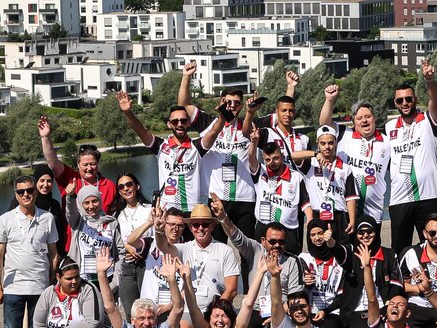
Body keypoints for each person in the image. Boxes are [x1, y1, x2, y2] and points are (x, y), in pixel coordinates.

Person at [211, 194, 307, 328]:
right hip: (254, 309)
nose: (277, 245)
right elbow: (236, 235)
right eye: (273, 241)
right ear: (263, 241)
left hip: (281, 311)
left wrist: (278, 315)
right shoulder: (255, 250)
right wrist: (223, 217)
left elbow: (295, 297)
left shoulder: (292, 261)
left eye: (281, 242)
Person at [0, 175, 60, 328]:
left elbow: (53, 253)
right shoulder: (5, 219)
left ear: (35, 192)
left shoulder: (47, 218)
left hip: (39, 286)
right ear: (16, 194)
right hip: (13, 286)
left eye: (30, 190)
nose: (26, 195)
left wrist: (52, 279)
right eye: (21, 191)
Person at [386, 61, 437, 253]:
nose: (405, 103)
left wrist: (430, 81)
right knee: (400, 251)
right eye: (400, 100)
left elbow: (435, 101)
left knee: (434, 247)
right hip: (399, 199)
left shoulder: (428, 120)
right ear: (395, 103)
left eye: (408, 99)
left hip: (429, 195)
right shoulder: (389, 127)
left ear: (415, 99)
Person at [191, 83, 258, 242]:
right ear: (222, 101)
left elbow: (248, 133)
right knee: (216, 246)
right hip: (217, 197)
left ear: (241, 105)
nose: (232, 106)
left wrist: (250, 113)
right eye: (228, 102)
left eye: (237, 103)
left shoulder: (248, 125)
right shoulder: (208, 123)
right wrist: (187, 76)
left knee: (247, 247)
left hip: (245, 197)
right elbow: (184, 104)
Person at [118, 90, 204, 213]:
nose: (179, 124)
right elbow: (140, 130)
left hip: (192, 210)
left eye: (184, 121)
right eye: (175, 121)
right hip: (167, 211)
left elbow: (214, 131)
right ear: (169, 124)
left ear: (189, 123)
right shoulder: (161, 146)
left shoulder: (197, 146)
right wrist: (127, 112)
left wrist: (223, 116)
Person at [320, 85, 391, 231]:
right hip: (346, 210)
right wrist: (329, 100)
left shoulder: (387, 142)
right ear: (353, 122)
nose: (364, 121)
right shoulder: (344, 134)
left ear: (374, 118)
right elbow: (324, 123)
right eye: (359, 118)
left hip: (374, 211)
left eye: (368, 117)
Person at [342, 216, 397, 328]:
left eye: (369, 231)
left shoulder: (389, 254)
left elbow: (397, 285)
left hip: (383, 307)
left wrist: (387, 307)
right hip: (358, 309)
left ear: (376, 232)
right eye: (361, 232)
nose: (365, 235)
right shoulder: (351, 254)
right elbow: (336, 251)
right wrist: (330, 241)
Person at [299, 218, 352, 328]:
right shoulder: (303, 258)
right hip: (308, 310)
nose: (316, 238)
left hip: (332, 310)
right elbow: (298, 292)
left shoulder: (339, 259)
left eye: (320, 233)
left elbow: (343, 295)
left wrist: (326, 310)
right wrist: (306, 285)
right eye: (312, 235)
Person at [38, 116, 116, 213]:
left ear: (98, 164)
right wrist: (45, 137)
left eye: (93, 164)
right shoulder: (70, 178)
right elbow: (53, 163)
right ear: (78, 164)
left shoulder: (109, 185)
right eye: (85, 165)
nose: (89, 168)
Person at [249, 139, 312, 254]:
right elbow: (251, 157)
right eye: (268, 160)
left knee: (290, 261)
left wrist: (310, 221)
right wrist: (254, 143)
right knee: (261, 260)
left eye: (276, 158)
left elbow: (305, 203)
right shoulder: (261, 172)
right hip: (263, 228)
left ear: (282, 156)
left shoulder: (296, 177)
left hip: (288, 230)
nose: (272, 162)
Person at [299, 125, 359, 237]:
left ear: (336, 142)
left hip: (339, 215)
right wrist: (315, 154)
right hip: (317, 215)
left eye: (330, 143)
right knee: (319, 248)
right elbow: (293, 155)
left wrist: (352, 220)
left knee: (342, 247)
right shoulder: (311, 164)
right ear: (317, 143)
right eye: (323, 143)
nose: (327, 147)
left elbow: (350, 197)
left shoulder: (345, 168)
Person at [65, 184, 124, 294]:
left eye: (94, 201)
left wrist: (115, 282)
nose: (91, 206)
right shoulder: (78, 221)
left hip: (108, 277)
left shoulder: (111, 223)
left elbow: (120, 252)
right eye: (86, 203)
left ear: (100, 201)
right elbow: (70, 212)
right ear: (81, 204)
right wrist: (71, 196)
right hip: (83, 279)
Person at [111, 173, 151, 315]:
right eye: (121, 187)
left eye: (129, 184)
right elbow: (114, 241)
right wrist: (126, 246)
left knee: (148, 309)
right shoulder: (117, 215)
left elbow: (156, 237)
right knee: (130, 312)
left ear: (137, 186)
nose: (126, 189)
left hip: (147, 265)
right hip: (126, 267)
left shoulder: (149, 210)